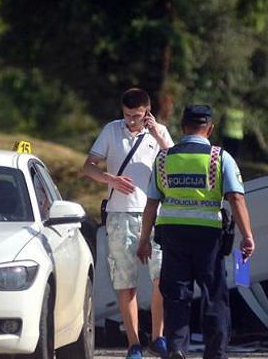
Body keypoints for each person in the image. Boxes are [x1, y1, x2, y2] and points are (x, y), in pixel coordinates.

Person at [136, 104, 255, 359]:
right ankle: (215, 353)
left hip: (173, 235)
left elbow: (152, 203)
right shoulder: (220, 158)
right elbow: (236, 198)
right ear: (210, 129)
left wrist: (144, 239)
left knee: (176, 295)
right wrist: (247, 236)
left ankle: (177, 348)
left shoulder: (164, 158)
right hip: (208, 236)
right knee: (214, 295)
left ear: (182, 128)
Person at [83, 88, 174, 359]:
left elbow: (175, 163)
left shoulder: (159, 132)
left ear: (147, 112)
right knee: (125, 281)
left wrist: (157, 135)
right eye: (127, 115)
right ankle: (134, 343)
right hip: (120, 215)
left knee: (161, 278)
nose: (131, 121)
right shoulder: (112, 130)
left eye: (136, 116)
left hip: (154, 215)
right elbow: (88, 166)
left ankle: (158, 338)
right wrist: (110, 179)